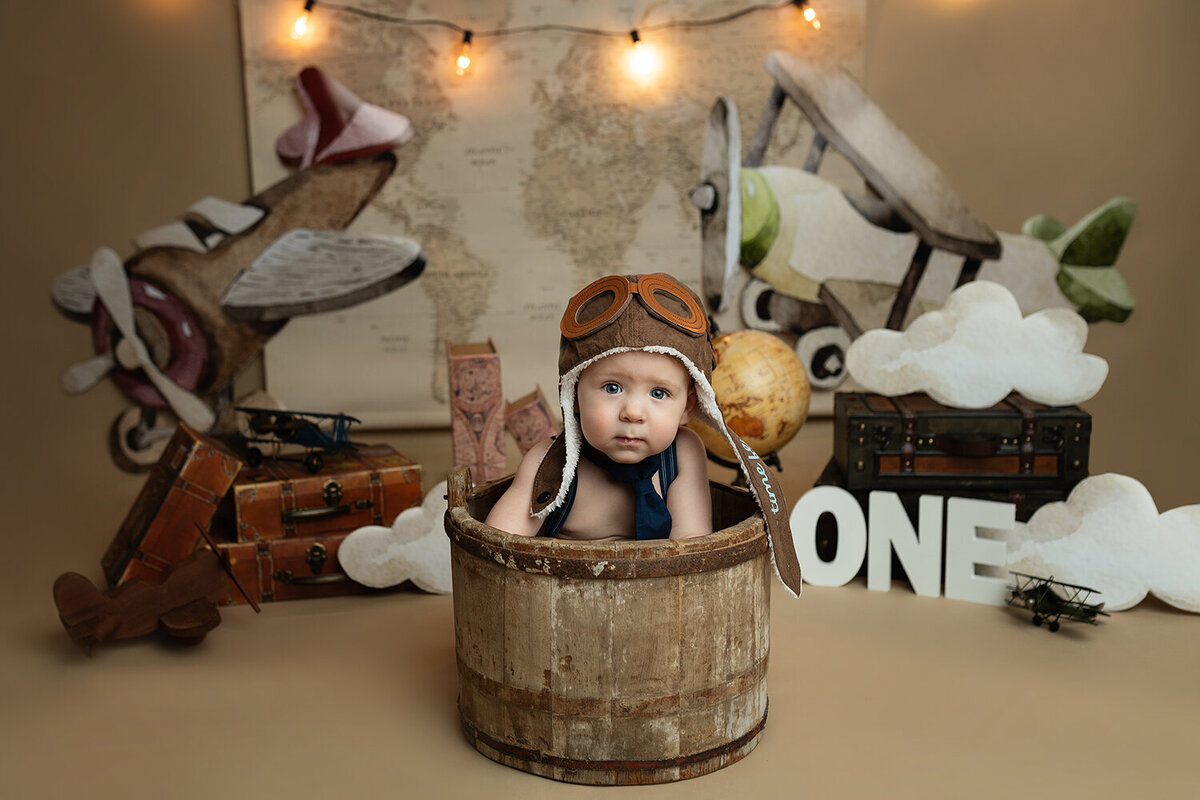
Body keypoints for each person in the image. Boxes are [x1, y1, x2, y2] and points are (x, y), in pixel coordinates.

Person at [484, 274, 803, 597]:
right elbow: (497, 547)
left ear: (688, 407)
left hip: (657, 600)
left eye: (659, 393)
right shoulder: (549, 462)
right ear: (575, 394)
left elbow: (690, 547)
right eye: (612, 388)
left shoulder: (683, 453)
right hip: (564, 601)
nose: (633, 412)